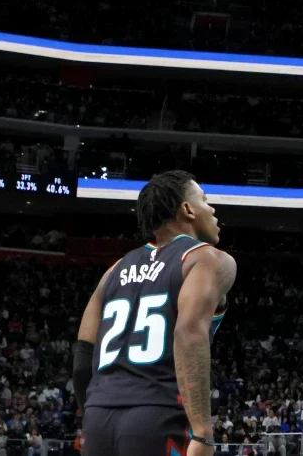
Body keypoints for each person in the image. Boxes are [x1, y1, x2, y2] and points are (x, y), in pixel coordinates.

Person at [75, 171, 237, 456]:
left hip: (98, 417)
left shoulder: (113, 270)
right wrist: (202, 431)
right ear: (187, 210)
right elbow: (188, 334)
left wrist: (91, 416)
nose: (212, 209)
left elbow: (82, 359)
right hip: (158, 416)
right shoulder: (206, 258)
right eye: (204, 200)